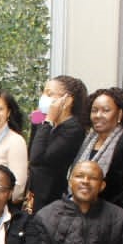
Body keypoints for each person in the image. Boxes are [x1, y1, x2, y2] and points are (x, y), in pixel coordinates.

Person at [27, 75, 89, 213]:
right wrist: (38, 119)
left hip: (51, 197)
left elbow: (37, 158)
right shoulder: (46, 122)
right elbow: (31, 152)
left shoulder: (74, 129)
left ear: (67, 101)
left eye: (49, 94)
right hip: (33, 194)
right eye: (43, 93)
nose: (44, 97)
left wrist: (48, 120)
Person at [73, 87, 123, 208]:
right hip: (81, 213)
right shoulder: (86, 142)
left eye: (106, 110)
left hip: (114, 218)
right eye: (94, 110)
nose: (98, 115)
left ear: (120, 114)